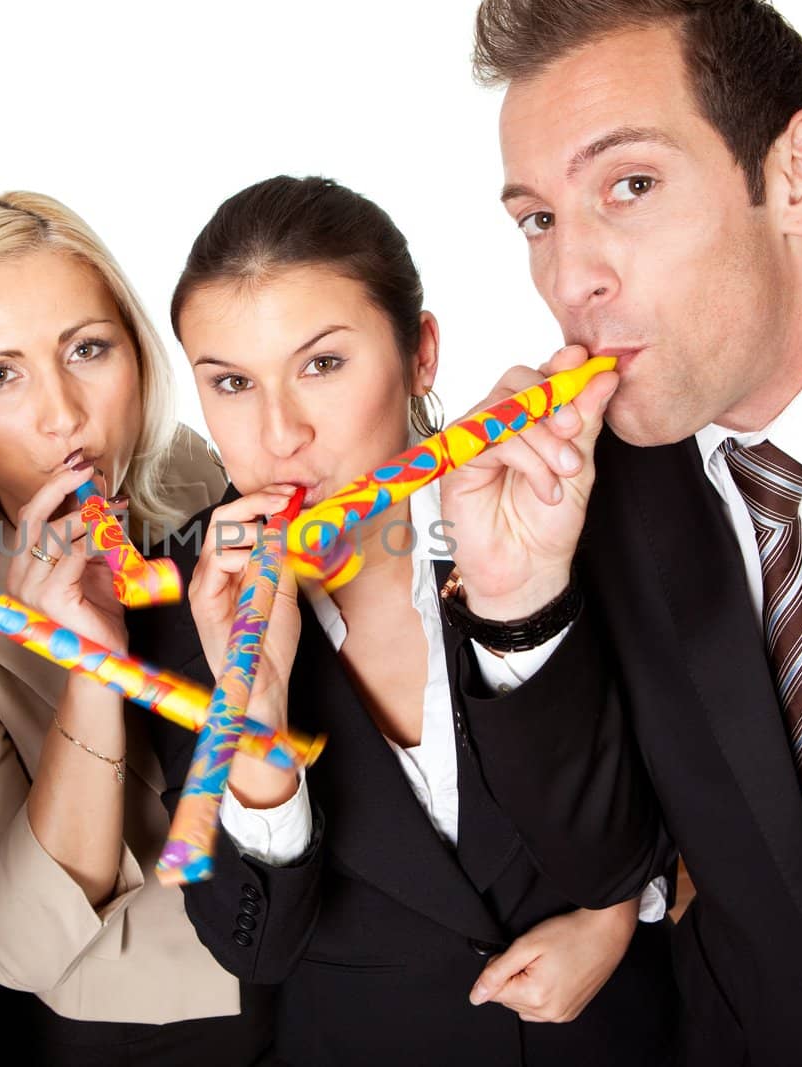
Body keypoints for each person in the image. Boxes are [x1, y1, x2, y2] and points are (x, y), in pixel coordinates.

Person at [445, 1, 802, 1063]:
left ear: (798, 173)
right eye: (537, 219)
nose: (571, 280)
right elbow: (605, 859)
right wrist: (517, 595)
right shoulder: (590, 494)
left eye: (630, 186)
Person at [129, 175, 677, 1067]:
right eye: (231, 382)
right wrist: (256, 717)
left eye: (322, 364)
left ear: (420, 354)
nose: (280, 433)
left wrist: (619, 911)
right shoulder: (183, 607)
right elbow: (253, 945)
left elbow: (671, 795)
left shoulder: (551, 503)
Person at [0, 192, 271, 1066]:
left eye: (87, 349)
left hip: (312, 964)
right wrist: (91, 668)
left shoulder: (189, 471)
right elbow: (6, 944)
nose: (64, 415)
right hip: (123, 1033)